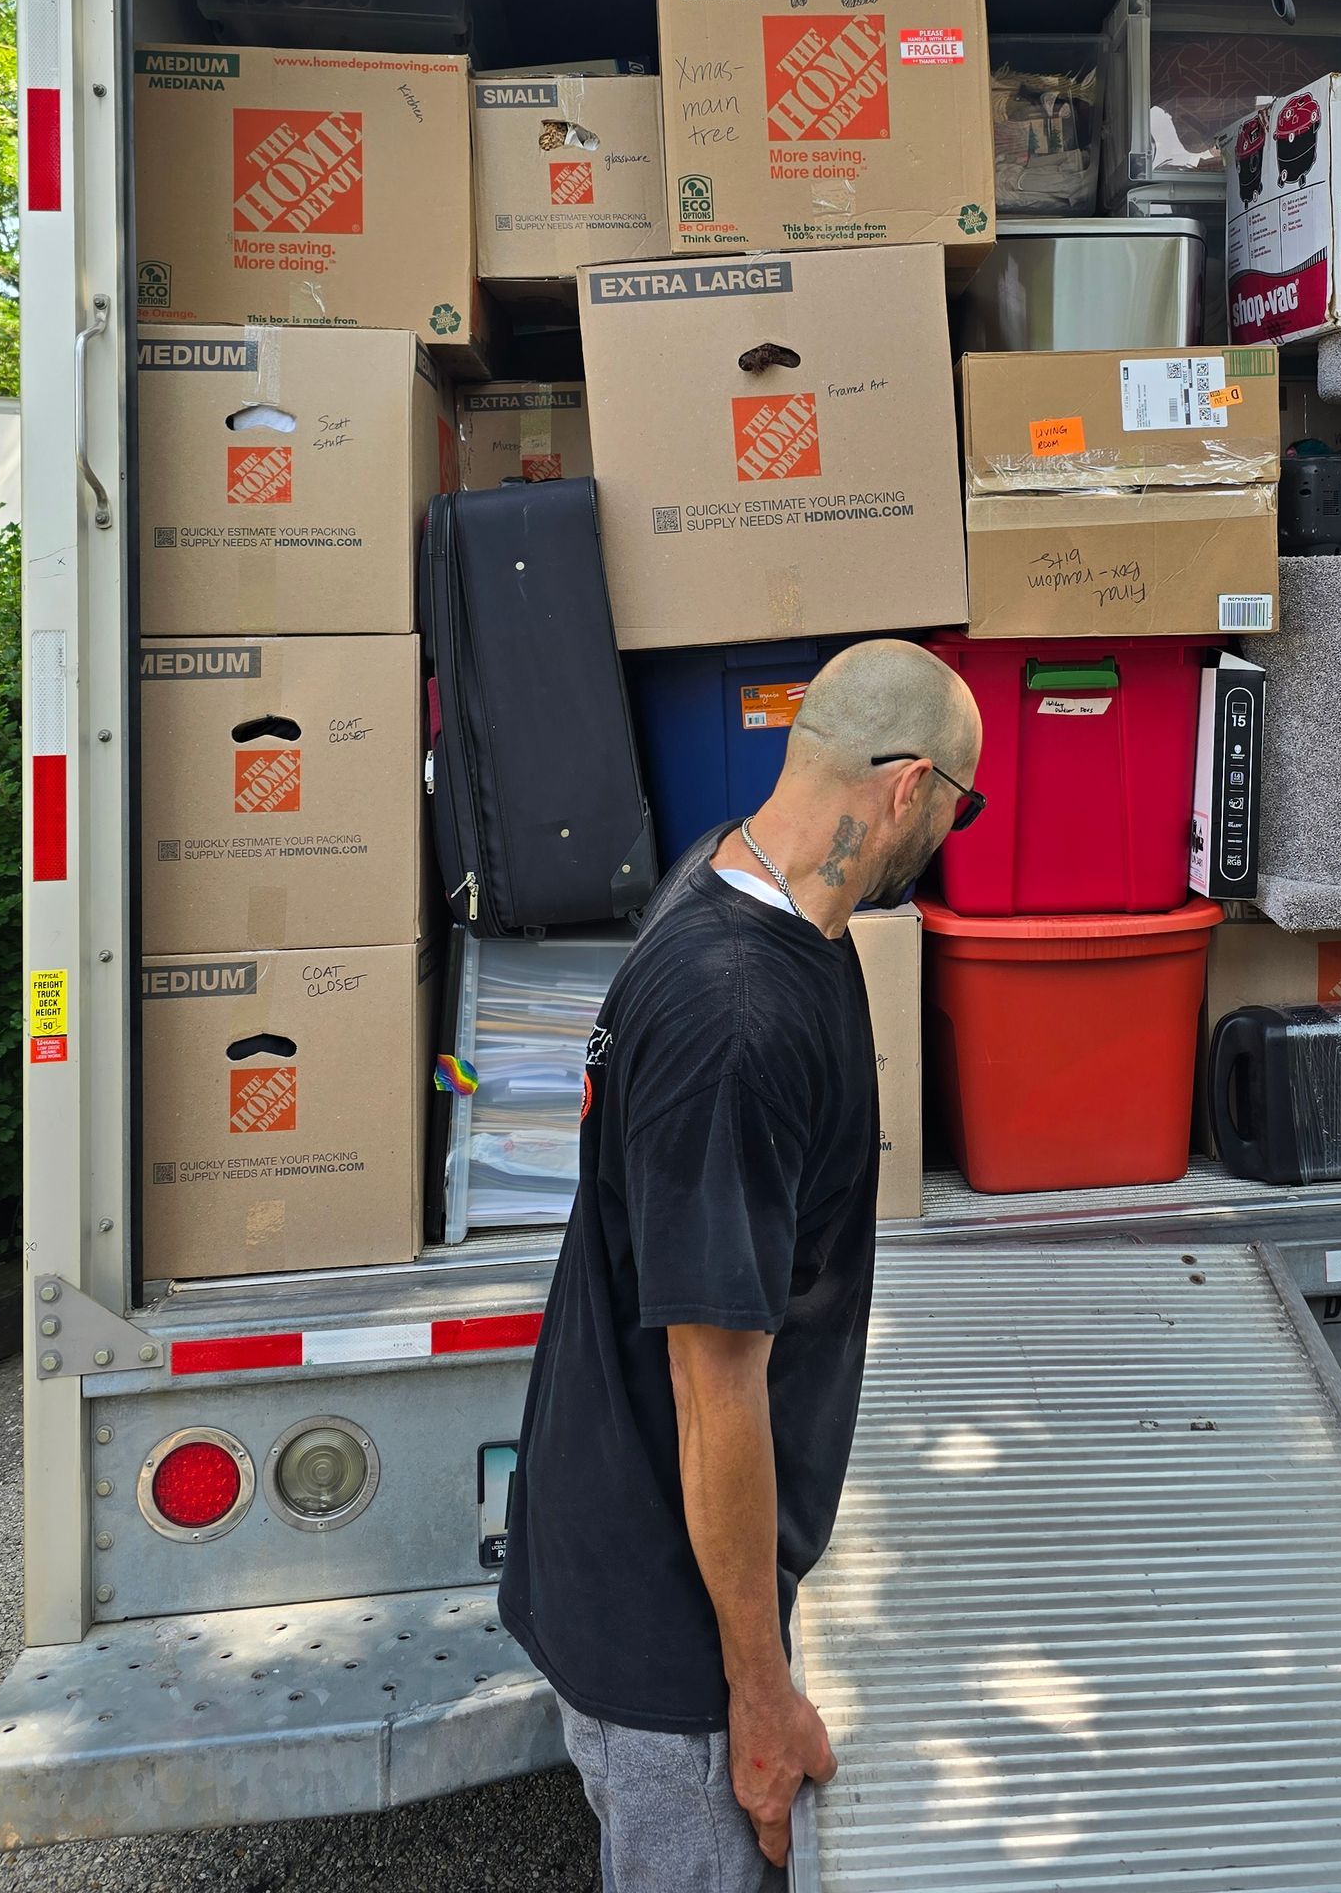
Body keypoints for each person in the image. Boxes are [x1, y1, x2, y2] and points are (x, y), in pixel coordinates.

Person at [499, 636, 984, 1892]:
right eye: (961, 807)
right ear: (908, 786)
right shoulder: (738, 1014)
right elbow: (715, 1384)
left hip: (656, 1568)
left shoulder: (739, 878)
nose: (954, 832)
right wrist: (759, 1700)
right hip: (670, 1640)